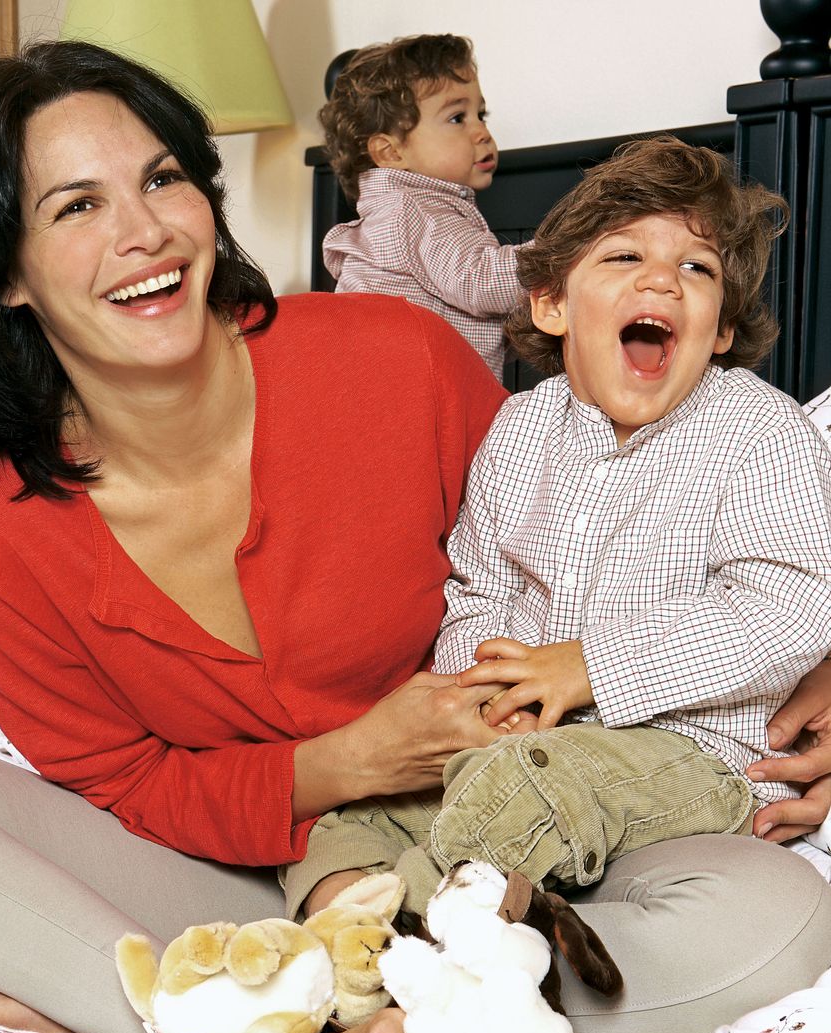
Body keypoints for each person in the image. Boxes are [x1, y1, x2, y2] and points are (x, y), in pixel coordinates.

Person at [0, 40, 831, 1033]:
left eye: (163, 178)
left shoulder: (393, 360)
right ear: (3, 270)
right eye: (76, 206)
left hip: (506, 841)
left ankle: (268, 1007)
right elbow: (126, 782)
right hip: (236, 869)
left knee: (780, 922)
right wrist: (345, 765)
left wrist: (806, 669)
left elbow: (568, 545)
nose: (143, 231)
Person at [284, 136, 831, 920]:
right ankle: (338, 932)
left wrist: (592, 668)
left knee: (527, 788)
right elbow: (477, 586)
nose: (660, 280)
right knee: (353, 812)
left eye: (697, 270)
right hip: (525, 744)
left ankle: (419, 942)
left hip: (690, 753)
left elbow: (791, 605)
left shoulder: (760, 431)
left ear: (719, 333)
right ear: (552, 305)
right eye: (623, 258)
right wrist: (488, 688)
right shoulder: (520, 430)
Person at [319, 33, 527, 381]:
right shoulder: (414, 209)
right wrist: (562, 255)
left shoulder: (398, 209)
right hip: (411, 395)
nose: (482, 133)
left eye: (481, 114)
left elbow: (476, 325)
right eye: (457, 118)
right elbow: (480, 280)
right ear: (391, 152)